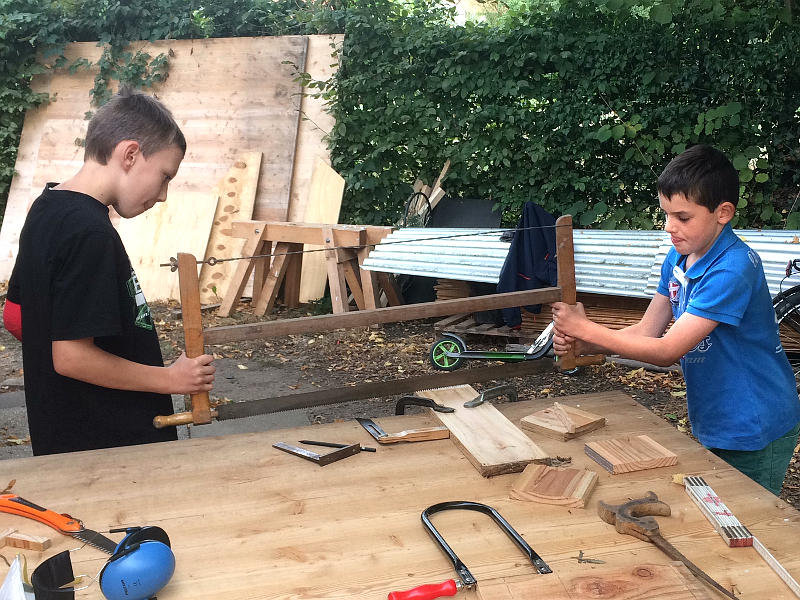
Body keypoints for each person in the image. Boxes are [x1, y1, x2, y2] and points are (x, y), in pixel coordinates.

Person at [551, 144, 800, 495]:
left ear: (723, 213)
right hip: (716, 414)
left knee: (747, 517)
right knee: (716, 507)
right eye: (666, 214)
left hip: (756, 420)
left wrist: (585, 327)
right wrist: (587, 343)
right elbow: (647, 331)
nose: (670, 227)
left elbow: (667, 350)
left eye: (682, 218)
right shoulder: (679, 256)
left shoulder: (732, 268)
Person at [3, 85, 215, 456]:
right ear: (130, 154)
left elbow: (16, 315)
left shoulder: (48, 207)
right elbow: (71, 357)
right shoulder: (89, 232)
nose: (163, 194)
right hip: (109, 445)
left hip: (67, 433)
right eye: (165, 176)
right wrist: (170, 378)